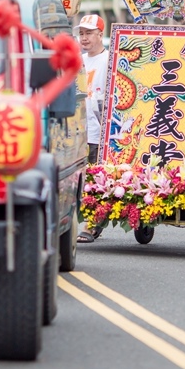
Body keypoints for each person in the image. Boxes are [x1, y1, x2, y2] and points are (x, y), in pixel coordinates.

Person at [76, 14, 108, 244]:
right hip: (78, 130)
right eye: (81, 33)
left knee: (96, 180)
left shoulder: (109, 60)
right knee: (79, 180)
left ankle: (92, 225)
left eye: (89, 33)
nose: (85, 38)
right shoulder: (77, 61)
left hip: (99, 131)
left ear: (100, 34)